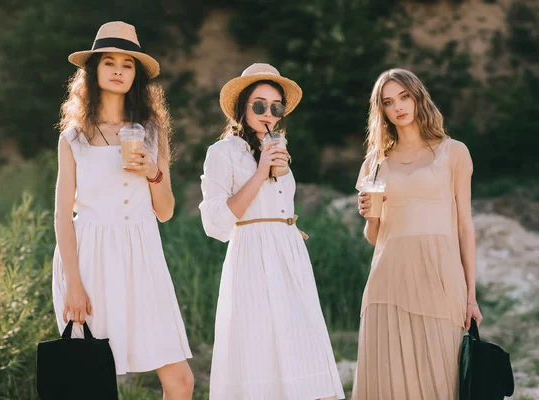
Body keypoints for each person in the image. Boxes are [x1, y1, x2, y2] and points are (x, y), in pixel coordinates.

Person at [52, 21, 193, 398]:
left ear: (136, 75)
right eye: (109, 62)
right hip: (91, 257)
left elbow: (165, 212)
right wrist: (74, 285)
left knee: (181, 381)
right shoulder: (74, 137)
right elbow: (62, 214)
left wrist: (153, 172)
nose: (118, 70)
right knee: (90, 381)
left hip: (143, 255)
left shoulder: (151, 130)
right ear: (94, 71)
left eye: (127, 64)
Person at [199, 63, 345, 400]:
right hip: (252, 252)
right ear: (242, 108)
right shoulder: (222, 153)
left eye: (275, 106)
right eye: (259, 104)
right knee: (259, 345)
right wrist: (260, 171)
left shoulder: (278, 149)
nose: (268, 112)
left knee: (301, 340)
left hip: (288, 251)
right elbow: (216, 223)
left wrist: (271, 163)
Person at [352, 68, 483, 400]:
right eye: (388, 102)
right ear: (381, 110)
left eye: (404, 96)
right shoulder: (375, 163)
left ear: (417, 97)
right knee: (390, 382)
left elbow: (465, 227)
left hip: (439, 277)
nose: (398, 107)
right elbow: (375, 237)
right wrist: (369, 217)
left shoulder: (454, 152)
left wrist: (471, 296)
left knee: (442, 377)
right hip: (388, 280)